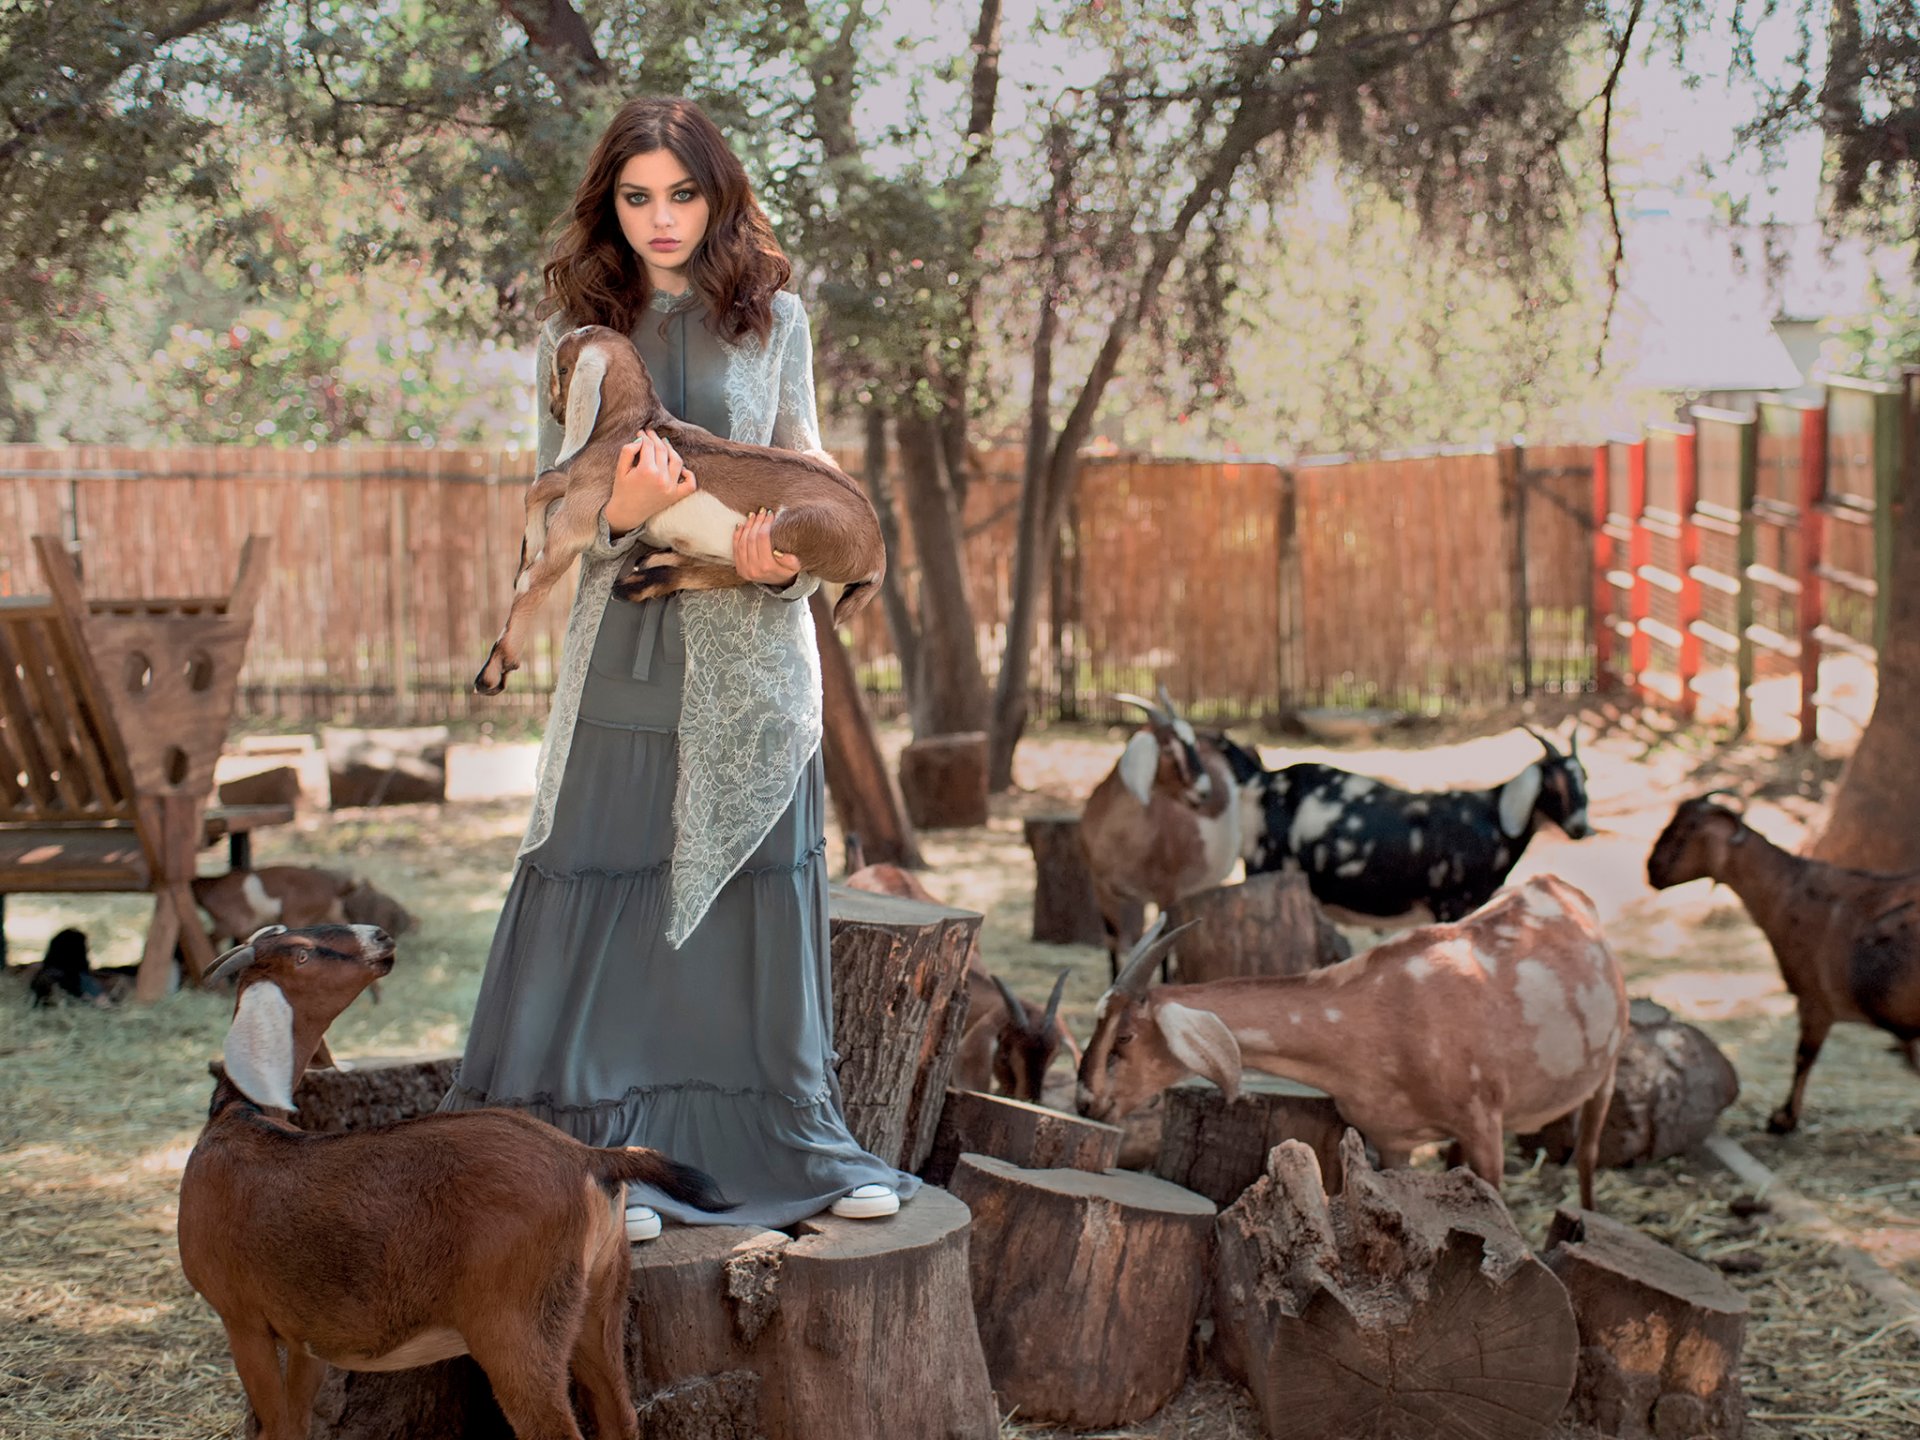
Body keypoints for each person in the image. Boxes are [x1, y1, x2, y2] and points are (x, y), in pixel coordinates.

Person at [443, 97, 916, 1240]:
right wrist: (622, 515)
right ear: (607, 205)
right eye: (637, 196)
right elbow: (551, 501)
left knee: (745, 909)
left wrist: (785, 569)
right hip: (623, 643)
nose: (662, 218)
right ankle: (598, 1162)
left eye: (683, 193)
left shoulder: (777, 319)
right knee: (609, 886)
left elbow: (804, 461)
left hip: (753, 656)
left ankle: (792, 1144)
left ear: (720, 196)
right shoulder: (576, 336)